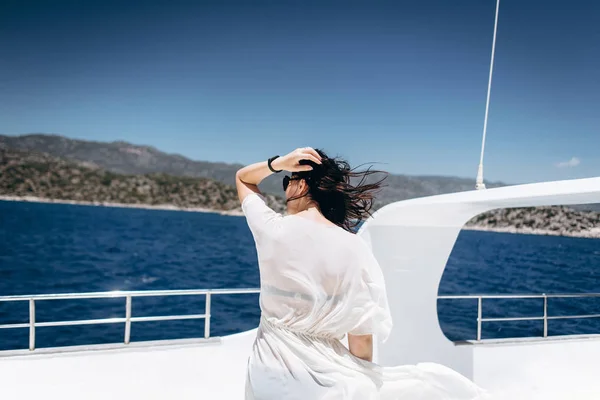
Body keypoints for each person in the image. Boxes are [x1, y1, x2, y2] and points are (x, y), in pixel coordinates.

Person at [236, 147, 489, 400]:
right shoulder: (353, 247)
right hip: (324, 383)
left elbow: (244, 179)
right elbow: (361, 337)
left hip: (266, 374)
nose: (285, 190)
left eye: (286, 181)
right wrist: (361, 378)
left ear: (301, 186)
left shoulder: (272, 229)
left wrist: (278, 163)